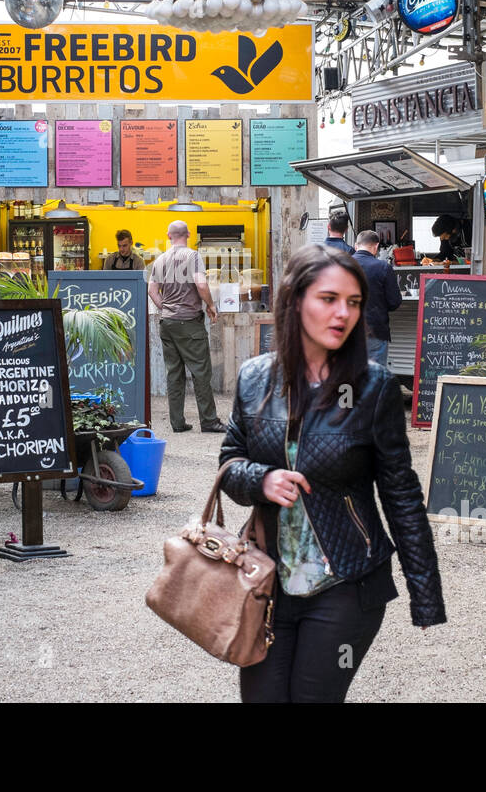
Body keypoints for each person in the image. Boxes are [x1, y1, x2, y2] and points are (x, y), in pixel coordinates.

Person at [218, 244, 445, 702]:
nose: (344, 313)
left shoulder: (374, 387)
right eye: (329, 299)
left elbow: (401, 494)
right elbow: (228, 464)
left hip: (345, 581)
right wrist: (261, 480)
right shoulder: (255, 378)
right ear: (295, 300)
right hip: (267, 577)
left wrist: (425, 593)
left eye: (354, 302)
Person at [147, 220, 224, 434]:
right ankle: (209, 421)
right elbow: (201, 284)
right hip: (189, 323)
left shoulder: (160, 260)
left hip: (167, 323)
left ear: (168, 236)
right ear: (188, 234)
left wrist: (166, 308)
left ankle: (178, 423)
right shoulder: (192, 256)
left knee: (174, 374)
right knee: (201, 372)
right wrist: (210, 304)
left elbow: (152, 290)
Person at [352, 230, 402, 367]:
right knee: (375, 375)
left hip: (347, 331)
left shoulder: (342, 265)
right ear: (376, 246)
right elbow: (394, 302)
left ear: (356, 246)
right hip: (375, 330)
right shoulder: (383, 267)